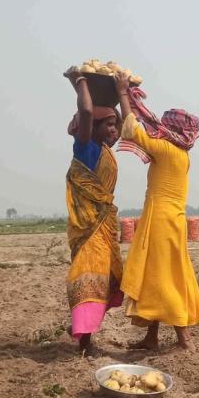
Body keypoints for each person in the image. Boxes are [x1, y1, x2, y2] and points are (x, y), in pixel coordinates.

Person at [114, 71, 199, 351]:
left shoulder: (167, 150)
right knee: (158, 274)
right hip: (170, 220)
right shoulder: (181, 153)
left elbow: (133, 130)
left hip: (162, 221)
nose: (159, 128)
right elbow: (144, 126)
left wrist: (121, 93)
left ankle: (183, 338)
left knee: (166, 276)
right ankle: (152, 337)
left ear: (172, 129)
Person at [58, 68, 125, 353]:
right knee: (87, 277)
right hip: (89, 229)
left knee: (106, 280)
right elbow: (86, 112)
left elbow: (126, 124)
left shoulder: (108, 150)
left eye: (115, 125)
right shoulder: (86, 148)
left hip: (104, 228)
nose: (113, 130)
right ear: (93, 128)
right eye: (107, 125)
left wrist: (123, 91)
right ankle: (84, 338)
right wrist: (80, 82)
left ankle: (84, 332)